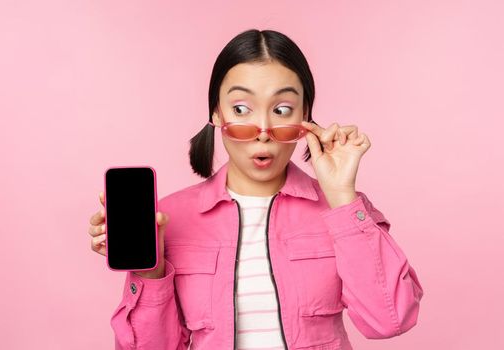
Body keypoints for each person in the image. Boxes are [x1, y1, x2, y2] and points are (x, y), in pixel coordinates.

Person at [87, 29, 424, 350]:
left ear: (305, 115)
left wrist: (342, 198)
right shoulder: (168, 218)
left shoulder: (343, 212)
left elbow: (389, 321)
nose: (263, 130)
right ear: (217, 114)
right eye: (241, 109)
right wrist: (150, 272)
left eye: (281, 110)